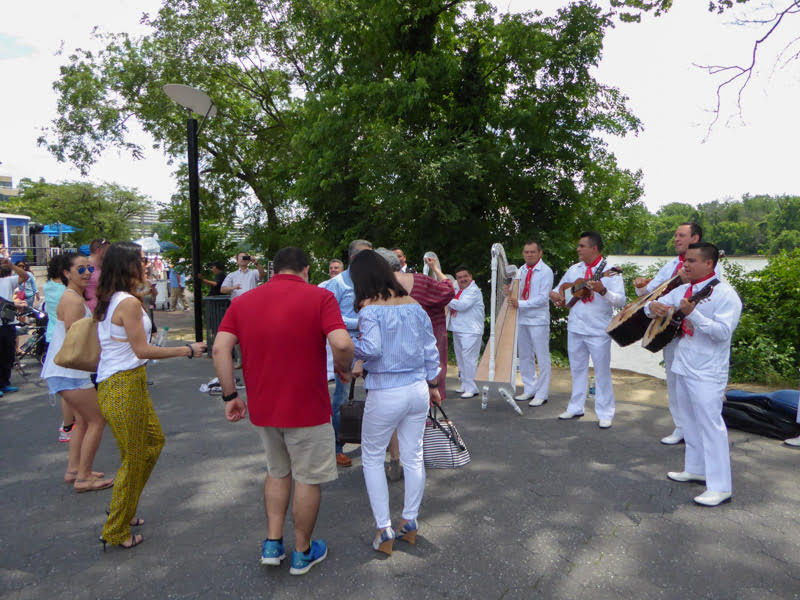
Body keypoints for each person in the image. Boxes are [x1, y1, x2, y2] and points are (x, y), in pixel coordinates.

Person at [212, 246, 353, 575]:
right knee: (307, 477)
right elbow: (343, 343)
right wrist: (344, 369)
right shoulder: (319, 297)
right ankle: (303, 550)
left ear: (274, 270)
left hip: (265, 406)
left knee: (277, 472)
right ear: (305, 270)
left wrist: (230, 395)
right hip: (308, 407)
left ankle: (273, 544)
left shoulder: (245, 301)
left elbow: (220, 348)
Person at [95, 242, 206, 550]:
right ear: (127, 265)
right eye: (141, 260)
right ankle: (115, 529)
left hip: (128, 383)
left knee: (153, 443)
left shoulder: (116, 298)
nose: (147, 264)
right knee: (134, 457)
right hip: (122, 386)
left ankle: (124, 506)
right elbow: (141, 350)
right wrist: (188, 350)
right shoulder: (126, 303)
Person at [349, 249, 440, 556]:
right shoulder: (414, 306)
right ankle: (410, 521)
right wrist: (433, 382)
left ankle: (383, 527)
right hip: (417, 388)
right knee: (414, 456)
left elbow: (371, 349)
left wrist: (349, 345)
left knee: (373, 458)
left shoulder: (371, 309)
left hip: (386, 390)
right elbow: (431, 349)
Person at [645, 242, 741, 506]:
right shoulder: (685, 289)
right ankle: (695, 468)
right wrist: (653, 308)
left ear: (709, 264)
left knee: (711, 425)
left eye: (692, 261)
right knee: (688, 419)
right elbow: (652, 304)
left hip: (708, 368)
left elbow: (722, 333)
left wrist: (694, 314)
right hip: (684, 363)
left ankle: (721, 487)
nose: (685, 264)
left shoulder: (725, 295)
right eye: (685, 260)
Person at [633, 222, 723, 446]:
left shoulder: (710, 266)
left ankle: (702, 431)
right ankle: (681, 427)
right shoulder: (672, 264)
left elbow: (710, 297)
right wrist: (641, 290)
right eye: (675, 235)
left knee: (697, 385)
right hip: (669, 330)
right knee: (675, 382)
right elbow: (651, 292)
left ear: (695, 238)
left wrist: (686, 283)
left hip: (695, 332)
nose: (676, 239)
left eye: (681, 235)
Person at [40, 253, 113, 492]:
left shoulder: (74, 297)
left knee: (83, 420)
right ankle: (83, 477)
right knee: (97, 419)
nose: (87, 274)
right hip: (68, 371)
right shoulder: (71, 299)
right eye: (80, 269)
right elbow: (76, 337)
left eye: (89, 269)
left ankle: (75, 470)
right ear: (66, 273)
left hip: (69, 371)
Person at [550, 232, 625, 428]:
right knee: (577, 368)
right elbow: (560, 289)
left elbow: (621, 300)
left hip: (598, 328)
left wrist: (603, 290)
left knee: (601, 371)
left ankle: (605, 412)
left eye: (582, 246)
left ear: (594, 248)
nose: (578, 249)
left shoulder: (611, 271)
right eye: (578, 245)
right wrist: (556, 296)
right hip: (575, 325)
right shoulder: (575, 269)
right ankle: (576, 406)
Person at [325, 239, 372, 467]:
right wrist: (361, 321)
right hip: (347, 348)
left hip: (372, 346)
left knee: (377, 395)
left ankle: (374, 443)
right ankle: (337, 446)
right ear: (353, 259)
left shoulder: (372, 279)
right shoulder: (337, 284)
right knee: (342, 399)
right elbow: (330, 317)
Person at [509, 241, 553, 407]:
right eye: (526, 252)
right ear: (523, 253)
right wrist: (509, 292)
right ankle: (529, 388)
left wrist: (521, 304)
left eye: (532, 252)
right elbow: (517, 292)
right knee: (525, 355)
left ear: (539, 253)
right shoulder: (520, 270)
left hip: (538, 319)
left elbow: (543, 298)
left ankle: (542, 393)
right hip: (522, 318)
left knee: (542, 357)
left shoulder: (546, 271)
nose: (529, 255)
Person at [44, 255, 74, 442]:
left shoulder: (48, 286)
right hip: (65, 337)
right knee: (71, 386)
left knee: (68, 385)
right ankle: (67, 426)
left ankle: (69, 422)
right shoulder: (66, 290)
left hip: (51, 336)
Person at [447, 266, 485, 399]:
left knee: (469, 360)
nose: (462, 279)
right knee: (461, 359)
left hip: (471, 330)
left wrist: (445, 297)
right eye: (459, 277)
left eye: (465, 276)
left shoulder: (473, 291)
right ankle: (465, 384)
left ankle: (472, 387)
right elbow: (446, 284)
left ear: (471, 277)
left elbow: (461, 306)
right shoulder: (459, 289)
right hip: (458, 328)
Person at [0, 257, 30, 397]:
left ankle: (5, 383)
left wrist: (11, 265)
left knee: (8, 355)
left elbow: (25, 276)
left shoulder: (8, 280)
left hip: (8, 323)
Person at [84, 238, 110, 312]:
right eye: (107, 251)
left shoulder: (105, 268)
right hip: (90, 313)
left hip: (103, 313)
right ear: (99, 251)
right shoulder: (84, 268)